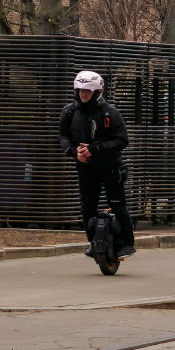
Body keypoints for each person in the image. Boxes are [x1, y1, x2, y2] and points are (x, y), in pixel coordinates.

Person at [59, 71, 135, 258]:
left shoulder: (110, 112)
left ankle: (127, 244)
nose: (83, 95)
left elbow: (122, 140)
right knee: (87, 207)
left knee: (118, 204)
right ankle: (93, 242)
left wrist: (95, 149)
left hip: (110, 167)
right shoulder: (69, 111)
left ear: (97, 91)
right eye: (80, 91)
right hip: (86, 168)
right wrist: (74, 152)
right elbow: (63, 136)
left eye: (88, 91)